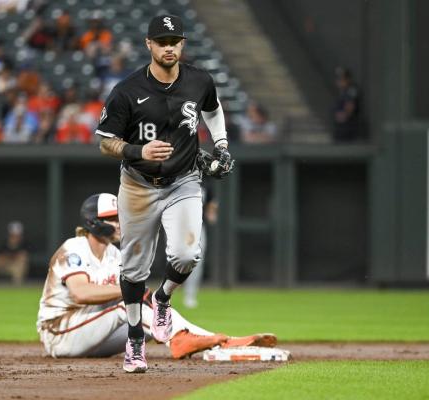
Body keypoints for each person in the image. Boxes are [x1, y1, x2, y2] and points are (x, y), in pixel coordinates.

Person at [95, 15, 234, 372]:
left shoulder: (200, 80)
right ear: (149, 45)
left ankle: (163, 298)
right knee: (133, 267)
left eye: (174, 41)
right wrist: (138, 151)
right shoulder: (127, 90)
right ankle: (135, 341)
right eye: (162, 41)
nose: (169, 47)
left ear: (182, 44)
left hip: (184, 181)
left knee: (188, 254)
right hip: (138, 185)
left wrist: (220, 145)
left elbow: (213, 110)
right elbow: (105, 143)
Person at [37, 194, 275, 363]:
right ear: (93, 223)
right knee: (128, 302)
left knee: (153, 323)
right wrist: (130, 291)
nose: (121, 223)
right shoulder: (74, 248)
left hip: (90, 331)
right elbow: (82, 293)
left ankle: (220, 340)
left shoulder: (114, 254)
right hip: (59, 332)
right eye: (113, 218)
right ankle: (187, 340)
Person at [182, 182, 218, 308]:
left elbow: (211, 204)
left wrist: (211, 211)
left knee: (196, 261)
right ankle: (165, 296)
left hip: (197, 226)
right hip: (177, 226)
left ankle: (190, 295)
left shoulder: (205, 184)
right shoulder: (176, 179)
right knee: (173, 261)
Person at [332, 66, 361, 142]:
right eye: (338, 79)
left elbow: (350, 106)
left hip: (347, 128)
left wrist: (344, 115)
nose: (339, 81)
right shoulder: (342, 92)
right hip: (341, 128)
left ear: (348, 79)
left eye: (342, 79)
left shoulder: (351, 90)